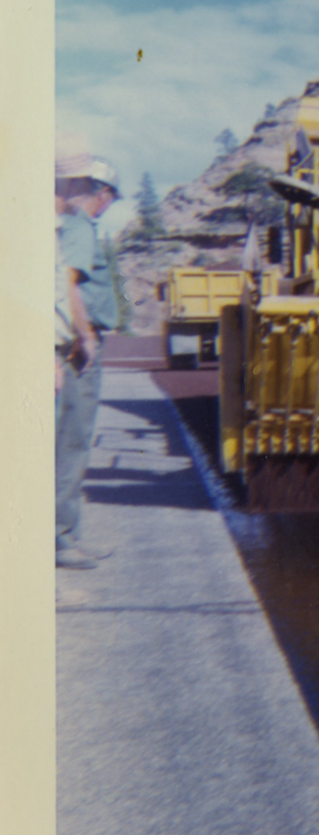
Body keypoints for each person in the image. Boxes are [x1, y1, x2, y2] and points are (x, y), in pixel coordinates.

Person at [56, 155, 122, 569]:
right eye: (109, 198)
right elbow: (69, 281)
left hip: (74, 344)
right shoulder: (82, 227)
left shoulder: (74, 225)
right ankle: (61, 540)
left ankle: (64, 535)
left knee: (69, 440)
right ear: (103, 193)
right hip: (80, 348)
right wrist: (85, 335)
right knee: (73, 442)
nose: (108, 205)